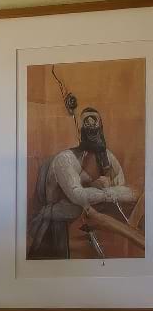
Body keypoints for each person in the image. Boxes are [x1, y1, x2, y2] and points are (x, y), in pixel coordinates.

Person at [28, 106, 138, 259]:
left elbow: (128, 191)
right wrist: (107, 192)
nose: (92, 125)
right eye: (87, 122)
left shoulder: (106, 156)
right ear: (80, 129)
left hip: (87, 225)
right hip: (59, 230)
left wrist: (103, 188)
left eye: (95, 122)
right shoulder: (65, 160)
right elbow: (78, 195)